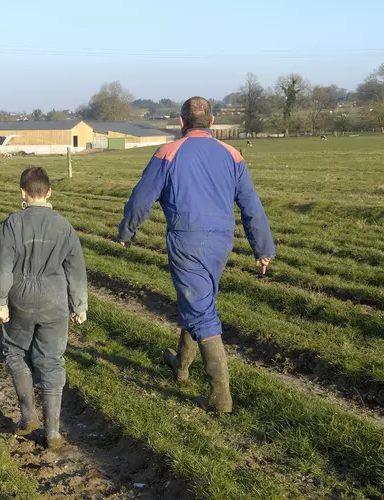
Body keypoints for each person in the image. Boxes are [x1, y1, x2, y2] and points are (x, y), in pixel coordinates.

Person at [117, 97, 275, 413]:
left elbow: (141, 199)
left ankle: (221, 397)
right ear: (212, 121)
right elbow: (251, 206)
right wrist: (263, 248)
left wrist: (127, 231)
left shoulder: (168, 152)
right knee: (200, 301)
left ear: (181, 122)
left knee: (201, 310)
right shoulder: (233, 155)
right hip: (221, 242)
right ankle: (181, 364)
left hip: (187, 239)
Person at [0, 166, 88, 448]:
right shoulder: (64, 226)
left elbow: (3, 266)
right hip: (55, 299)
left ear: (23, 192)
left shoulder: (13, 223)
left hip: (20, 297)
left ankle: (28, 417)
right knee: (52, 360)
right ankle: (54, 432)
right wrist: (79, 305)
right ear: (49, 192)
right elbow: (76, 269)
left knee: (16, 351)